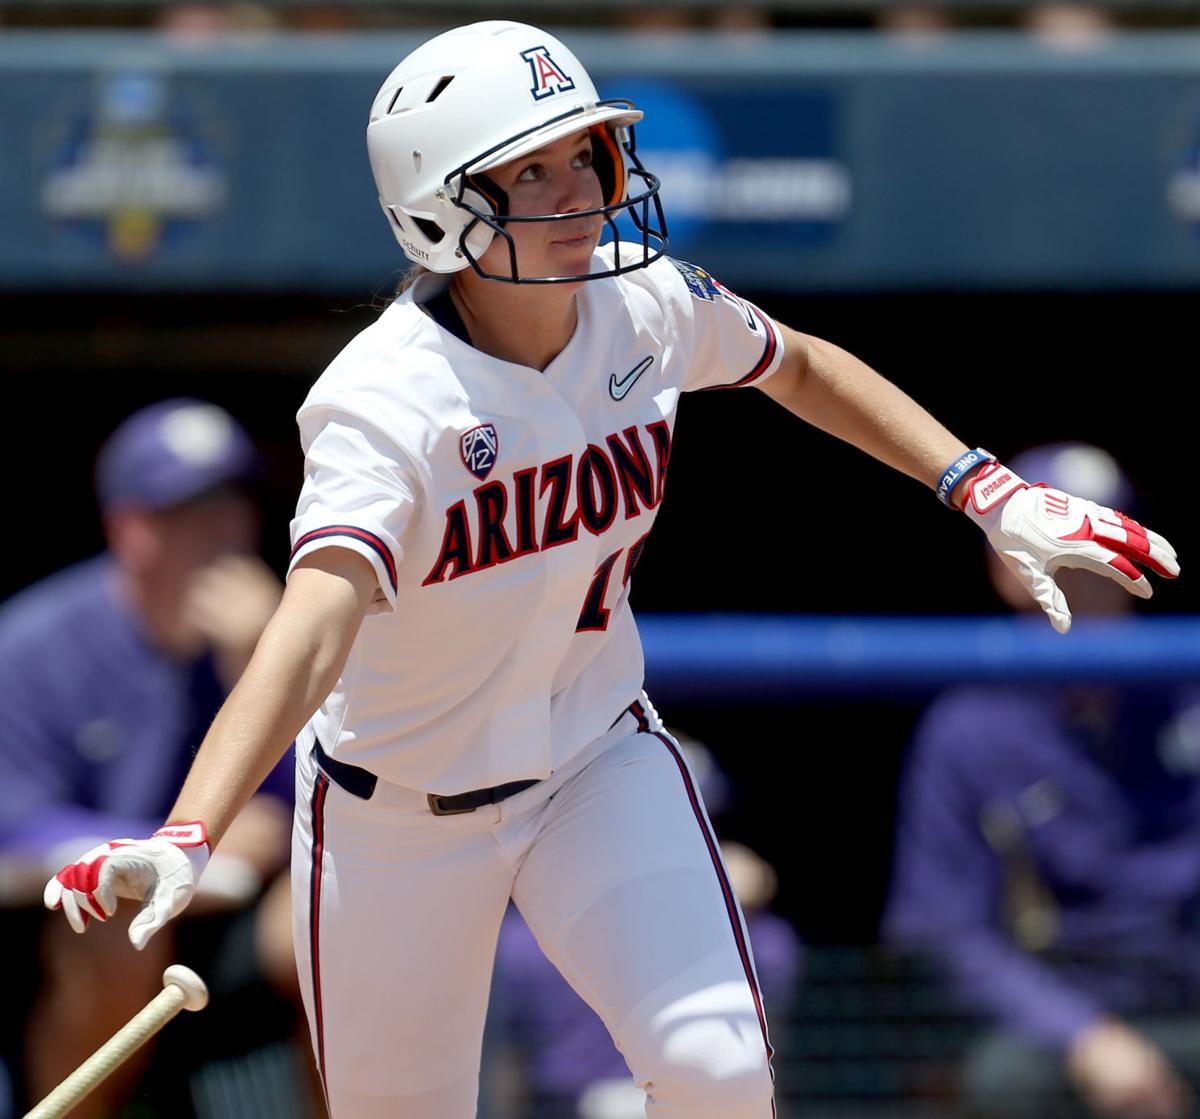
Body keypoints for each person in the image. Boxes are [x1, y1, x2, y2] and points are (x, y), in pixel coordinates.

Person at [39, 22, 1178, 1119]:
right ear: (442, 216)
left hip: (593, 760)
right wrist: (191, 828)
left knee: (720, 1071)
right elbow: (313, 623)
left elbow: (802, 366)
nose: (580, 189)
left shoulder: (645, 303)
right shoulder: (382, 401)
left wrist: (984, 489)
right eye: (529, 173)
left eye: (583, 152)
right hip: (397, 816)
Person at [0, 399, 298, 1118]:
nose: (221, 533)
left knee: (338, 917)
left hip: (238, 923)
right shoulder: (36, 642)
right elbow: (15, 822)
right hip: (79, 928)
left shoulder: (282, 635)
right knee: (115, 919)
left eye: (231, 504)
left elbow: (343, 795)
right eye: (189, 511)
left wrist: (262, 666)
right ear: (129, 529)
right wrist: (164, 844)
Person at [884, 443, 1200, 1119]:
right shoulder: (968, 728)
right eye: (1067, 547)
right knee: (1006, 1080)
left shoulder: (1188, 688)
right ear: (1005, 567)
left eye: (1108, 539)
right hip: (1064, 1021)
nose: (1091, 569)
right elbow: (942, 927)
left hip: (1191, 1000)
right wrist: (1083, 1033)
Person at [487, 737, 803, 1119]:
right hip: (591, 1102)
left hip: (597, 1102)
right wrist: (741, 905)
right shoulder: (758, 932)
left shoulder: (521, 930)